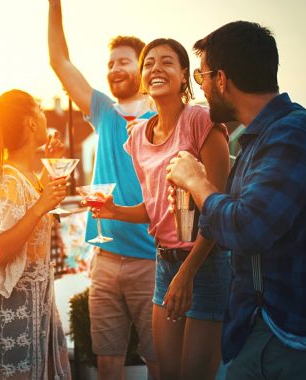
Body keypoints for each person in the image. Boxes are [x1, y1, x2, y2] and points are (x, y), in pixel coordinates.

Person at [166, 21, 306, 379]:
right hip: (270, 326)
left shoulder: (292, 137)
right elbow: (231, 223)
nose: (201, 88)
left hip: (295, 335)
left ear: (222, 79)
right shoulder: (264, 137)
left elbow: (247, 227)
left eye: (203, 76)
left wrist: (197, 181)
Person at [92, 38, 231, 379]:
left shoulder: (202, 122)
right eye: (149, 63)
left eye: (167, 62)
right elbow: (154, 210)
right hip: (164, 264)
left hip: (204, 265)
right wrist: (113, 211)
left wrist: (188, 273)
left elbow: (218, 209)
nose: (156, 68)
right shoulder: (138, 137)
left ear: (185, 76)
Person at [47, 1, 158, 377]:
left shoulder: (162, 119)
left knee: (159, 359)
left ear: (143, 68)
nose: (114, 69)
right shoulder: (104, 111)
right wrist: (54, 5)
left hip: (152, 260)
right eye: (110, 63)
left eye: (124, 61)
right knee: (107, 359)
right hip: (105, 260)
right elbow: (60, 62)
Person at [0, 89, 71, 379]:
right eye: (39, 107)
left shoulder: (25, 177)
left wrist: (51, 167)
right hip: (14, 308)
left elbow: (29, 215)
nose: (44, 112)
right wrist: (40, 206)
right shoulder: (5, 181)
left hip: (37, 302)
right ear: (31, 122)